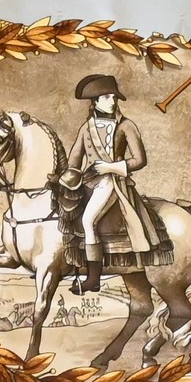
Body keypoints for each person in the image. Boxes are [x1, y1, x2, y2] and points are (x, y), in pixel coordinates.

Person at [64, 74, 155, 293]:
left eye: (113, 97)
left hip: (112, 181)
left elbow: (140, 160)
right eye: (106, 97)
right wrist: (67, 178)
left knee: (88, 220)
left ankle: (92, 279)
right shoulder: (86, 128)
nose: (112, 101)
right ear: (95, 102)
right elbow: (74, 160)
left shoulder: (126, 126)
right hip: (89, 182)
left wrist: (110, 167)